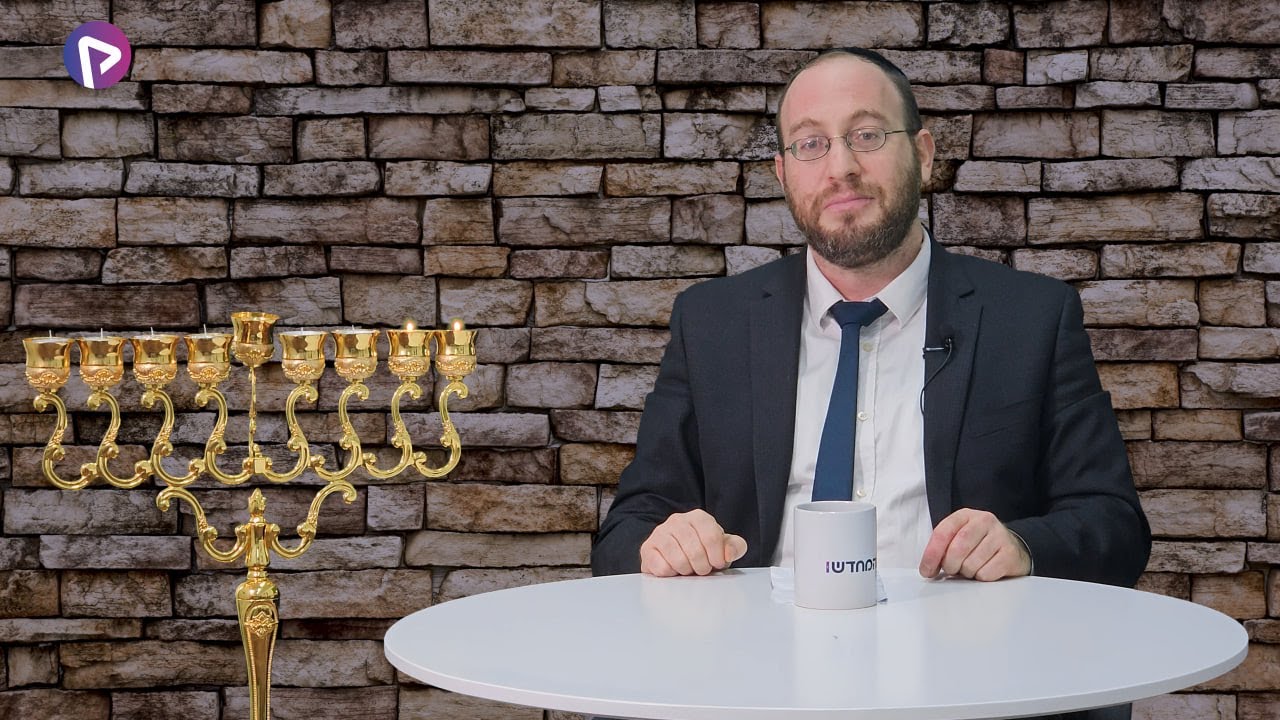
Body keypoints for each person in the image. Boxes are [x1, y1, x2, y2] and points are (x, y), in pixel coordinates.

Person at [592, 48, 1149, 588]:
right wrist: (662, 544)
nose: (842, 168)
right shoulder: (710, 324)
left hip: (961, 646)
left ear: (923, 154)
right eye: (811, 144)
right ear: (783, 174)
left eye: (867, 135)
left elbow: (1114, 526)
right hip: (759, 645)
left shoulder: (1032, 318)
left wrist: (1022, 546)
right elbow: (626, 530)